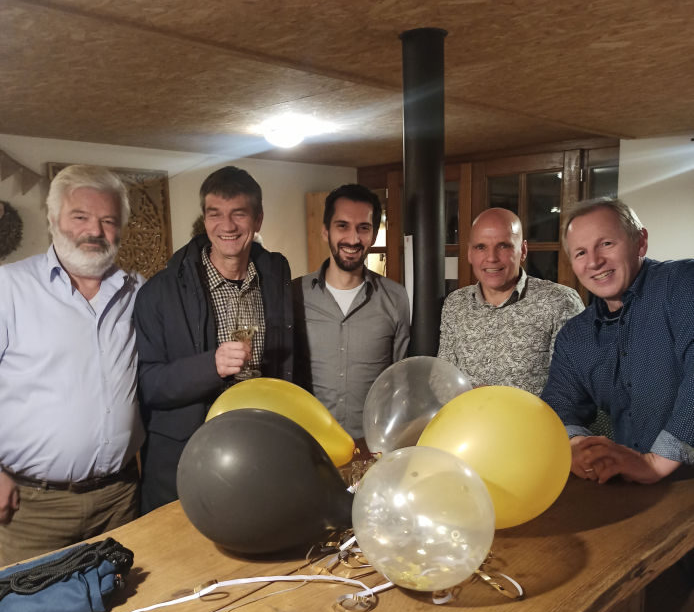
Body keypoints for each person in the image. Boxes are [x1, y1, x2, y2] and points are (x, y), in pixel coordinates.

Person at [542, 196, 694, 612]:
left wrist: (659, 459)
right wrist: (580, 445)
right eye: (582, 252)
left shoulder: (682, 285)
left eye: (606, 243)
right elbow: (558, 404)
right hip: (648, 503)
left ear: (640, 242)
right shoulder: (577, 335)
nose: (596, 261)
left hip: (679, 483)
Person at [0, 165, 143, 567]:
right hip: (31, 509)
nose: (94, 231)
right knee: (31, 605)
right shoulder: (9, 288)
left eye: (108, 220)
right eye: (80, 216)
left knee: (127, 599)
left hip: (120, 499)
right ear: (53, 219)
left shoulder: (138, 292)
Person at [134, 165, 293, 514]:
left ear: (258, 219)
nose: (227, 225)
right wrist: (211, 366)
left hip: (258, 451)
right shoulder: (159, 292)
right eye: (215, 213)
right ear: (205, 219)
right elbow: (147, 385)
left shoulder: (275, 276)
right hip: (187, 462)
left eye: (239, 213)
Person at [293, 184, 410, 439]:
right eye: (342, 226)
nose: (353, 239)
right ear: (325, 231)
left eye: (363, 228)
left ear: (373, 235)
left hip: (371, 444)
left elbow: (399, 381)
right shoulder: (294, 295)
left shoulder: (396, 298)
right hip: (308, 441)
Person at [438, 207, 584, 395]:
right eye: (481, 247)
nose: (491, 258)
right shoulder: (455, 303)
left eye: (503, 246)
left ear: (523, 250)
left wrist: (501, 401)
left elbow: (573, 391)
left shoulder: (559, 301)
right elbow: (444, 380)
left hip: (534, 415)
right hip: (466, 413)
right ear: (469, 253)